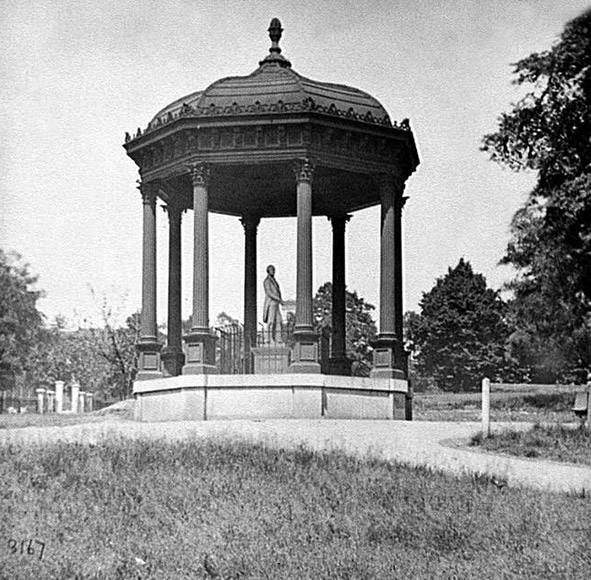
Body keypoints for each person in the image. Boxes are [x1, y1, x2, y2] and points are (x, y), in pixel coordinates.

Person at [263, 265, 283, 342]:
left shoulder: (274, 281)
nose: (273, 271)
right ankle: (268, 338)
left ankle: (278, 338)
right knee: (271, 320)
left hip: (276, 303)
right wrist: (279, 299)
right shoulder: (267, 281)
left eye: (274, 270)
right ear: (268, 271)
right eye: (272, 270)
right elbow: (269, 292)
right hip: (271, 302)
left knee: (278, 320)